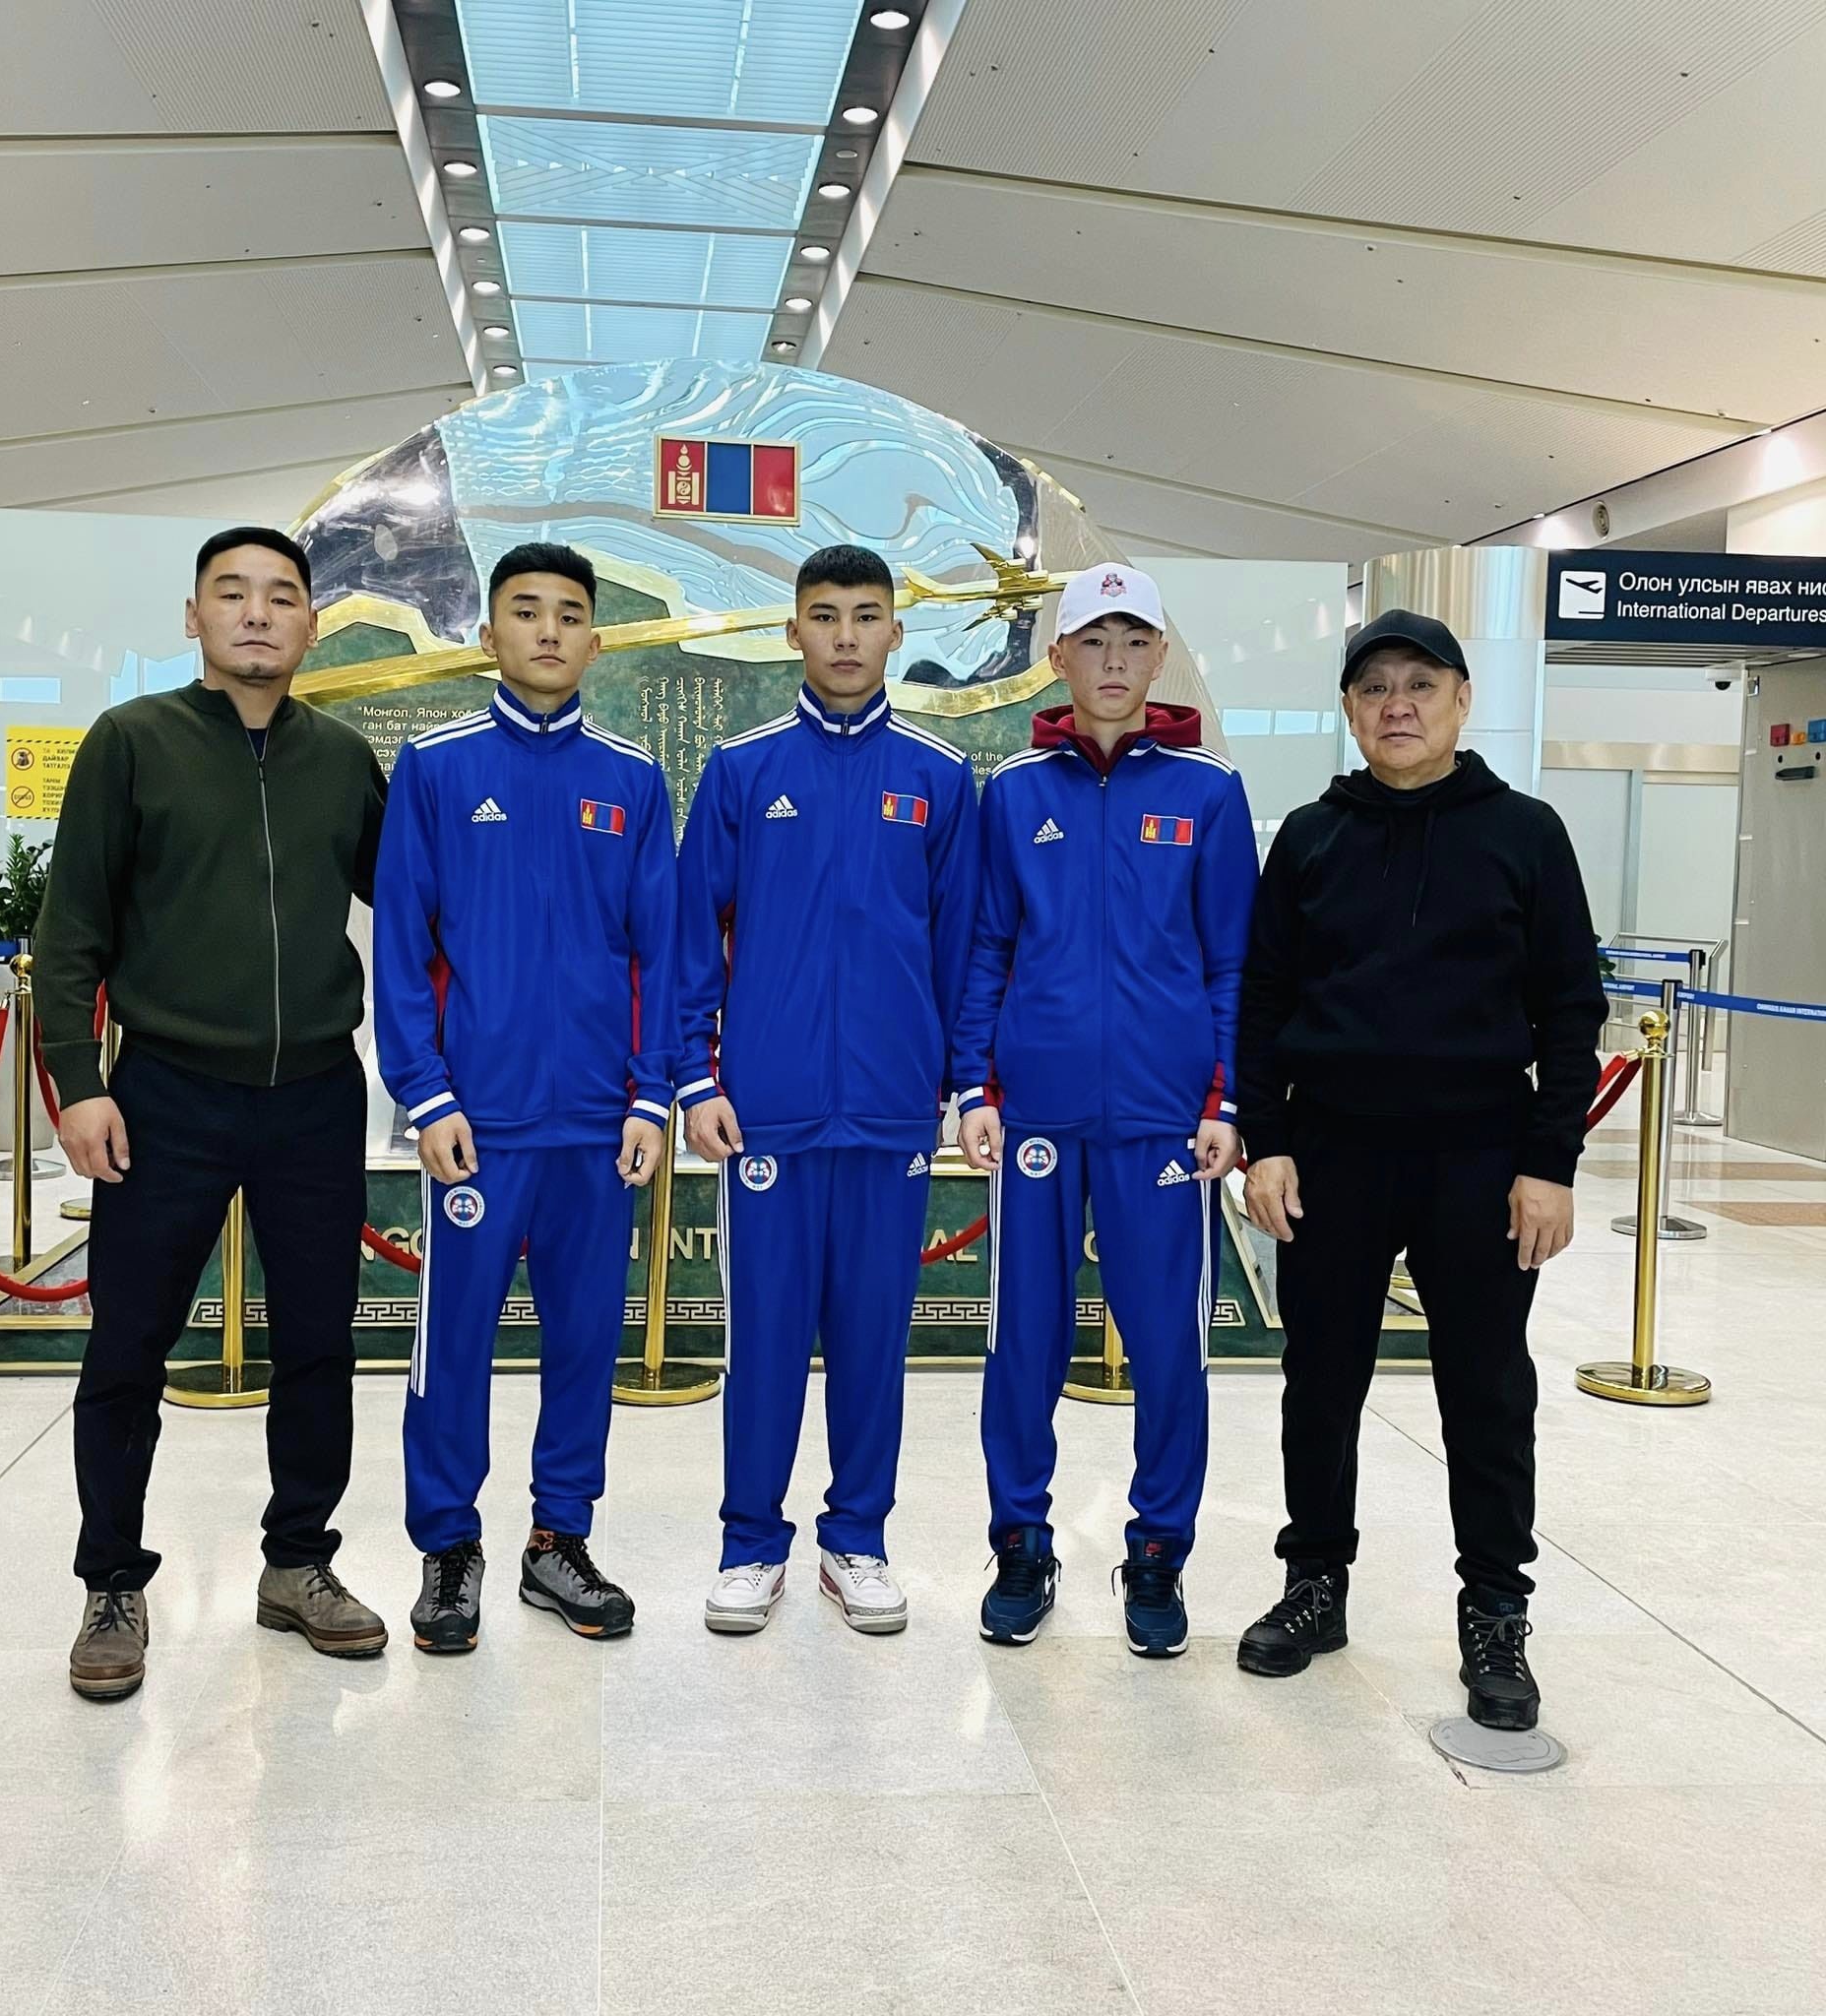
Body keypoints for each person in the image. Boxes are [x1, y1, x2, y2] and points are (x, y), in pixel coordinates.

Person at [1234, 608, 1606, 1731]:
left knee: (1486, 1388)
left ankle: (1494, 1610)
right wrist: (1268, 1139)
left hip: (1479, 1157)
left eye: (1420, 685)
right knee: (1321, 1379)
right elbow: (1263, 999)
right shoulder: (1311, 836)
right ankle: (1314, 1581)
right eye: (1374, 688)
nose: (1396, 705)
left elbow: (1570, 1007)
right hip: (1333, 1152)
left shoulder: (1525, 833)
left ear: (1460, 700)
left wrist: (1549, 1162)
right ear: (1349, 710)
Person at [36, 526, 390, 1702]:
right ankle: (111, 1581)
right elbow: (70, 928)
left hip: (314, 1094)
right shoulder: (132, 742)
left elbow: (424, 901)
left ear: (311, 626)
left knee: (319, 1343)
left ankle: (298, 1562)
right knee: (128, 1344)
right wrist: (78, 1080)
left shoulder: (342, 758)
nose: (255, 612)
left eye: (281, 596)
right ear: (193, 616)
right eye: (230, 593)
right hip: (165, 1096)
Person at [373, 541, 675, 1655]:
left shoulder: (633, 779)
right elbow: (403, 947)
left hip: (598, 1126)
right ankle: (448, 1547)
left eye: (568, 614)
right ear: (487, 631)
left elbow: (660, 954)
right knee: (453, 1343)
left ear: (595, 639)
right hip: (477, 1125)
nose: (548, 630)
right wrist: (426, 1091)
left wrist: (651, 1098)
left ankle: (560, 1539)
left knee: (585, 1341)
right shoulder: (437, 768)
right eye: (526, 610)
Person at [953, 565, 1256, 1656]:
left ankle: (1158, 1552)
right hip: (1036, 1113)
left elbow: (1232, 961)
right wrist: (975, 1084)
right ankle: (1020, 1543)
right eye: (1093, 641)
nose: (1115, 661)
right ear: (1059, 659)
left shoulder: (1208, 792)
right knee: (1022, 1342)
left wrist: (1224, 1096)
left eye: (1133, 641)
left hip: (1166, 1120)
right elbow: (987, 946)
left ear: (1159, 656)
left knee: (1168, 1348)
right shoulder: (1011, 791)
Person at [677, 544, 978, 1636]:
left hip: (892, 1107)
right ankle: (749, 1543)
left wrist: (960, 1082)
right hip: (768, 1106)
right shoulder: (741, 770)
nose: (846, 635)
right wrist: (695, 1076)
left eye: (865, 615)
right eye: (824, 615)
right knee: (762, 1336)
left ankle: (857, 1538)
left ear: (896, 630)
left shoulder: (941, 777)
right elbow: (689, 939)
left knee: (871, 1339)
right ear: (792, 631)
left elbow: (962, 948)